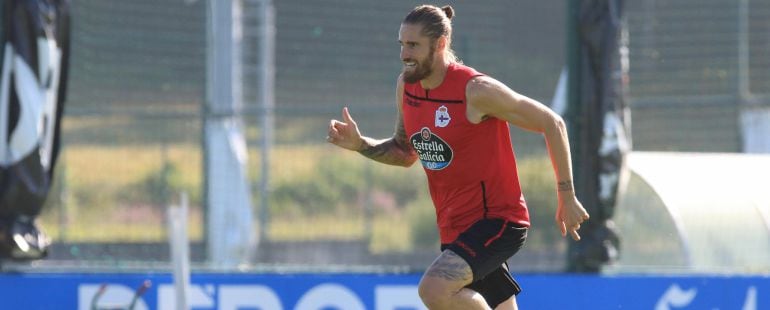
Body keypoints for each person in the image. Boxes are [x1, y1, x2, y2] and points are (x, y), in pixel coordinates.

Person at [327, 4, 589, 309]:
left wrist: (566, 196)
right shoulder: (406, 87)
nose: (404, 55)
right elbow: (405, 152)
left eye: (413, 46)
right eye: (402, 45)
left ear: (440, 45)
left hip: (498, 220)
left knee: (434, 289)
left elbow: (552, 122)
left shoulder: (475, 91)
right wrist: (361, 144)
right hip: (454, 228)